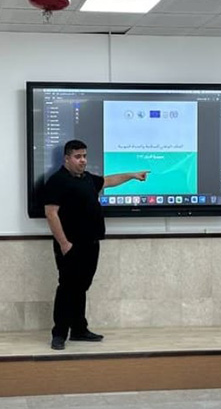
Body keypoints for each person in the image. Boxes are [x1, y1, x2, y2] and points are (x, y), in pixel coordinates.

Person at [43, 139, 149, 350]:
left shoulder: (87, 179)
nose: (83, 160)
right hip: (71, 245)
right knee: (67, 288)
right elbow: (51, 213)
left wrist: (132, 175)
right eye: (78, 157)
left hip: (91, 243)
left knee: (81, 287)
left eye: (84, 156)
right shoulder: (57, 181)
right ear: (67, 158)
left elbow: (108, 181)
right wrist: (64, 244)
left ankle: (79, 329)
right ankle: (59, 334)